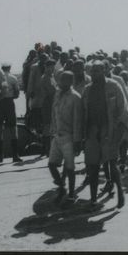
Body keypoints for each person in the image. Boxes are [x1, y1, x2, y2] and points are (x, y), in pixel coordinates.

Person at [81, 61, 128, 208]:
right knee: (93, 166)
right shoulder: (87, 90)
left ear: (104, 71)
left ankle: (120, 191)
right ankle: (93, 199)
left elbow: (124, 112)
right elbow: (82, 113)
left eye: (98, 70)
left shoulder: (114, 86)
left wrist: (118, 136)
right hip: (92, 131)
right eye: (93, 71)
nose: (95, 73)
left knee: (112, 163)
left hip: (109, 130)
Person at [48, 71, 83, 203]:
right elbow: (53, 113)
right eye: (60, 80)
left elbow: (77, 121)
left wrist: (77, 141)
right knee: (51, 164)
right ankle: (62, 187)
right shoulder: (57, 95)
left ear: (70, 82)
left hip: (69, 137)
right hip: (57, 135)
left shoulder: (75, 98)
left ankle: (72, 193)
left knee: (70, 168)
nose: (60, 83)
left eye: (63, 80)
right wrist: (53, 129)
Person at [0, 63, 22, 163]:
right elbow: (17, 93)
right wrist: (11, 96)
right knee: (13, 129)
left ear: (2, 69)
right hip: (9, 103)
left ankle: (0, 156)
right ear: (9, 68)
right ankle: (15, 155)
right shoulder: (13, 78)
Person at [38, 59, 58, 156]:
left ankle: (48, 149)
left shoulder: (52, 77)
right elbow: (51, 91)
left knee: (51, 125)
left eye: (53, 67)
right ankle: (45, 149)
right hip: (47, 103)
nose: (52, 69)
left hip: (52, 103)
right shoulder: (45, 77)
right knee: (47, 125)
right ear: (46, 67)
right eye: (51, 67)